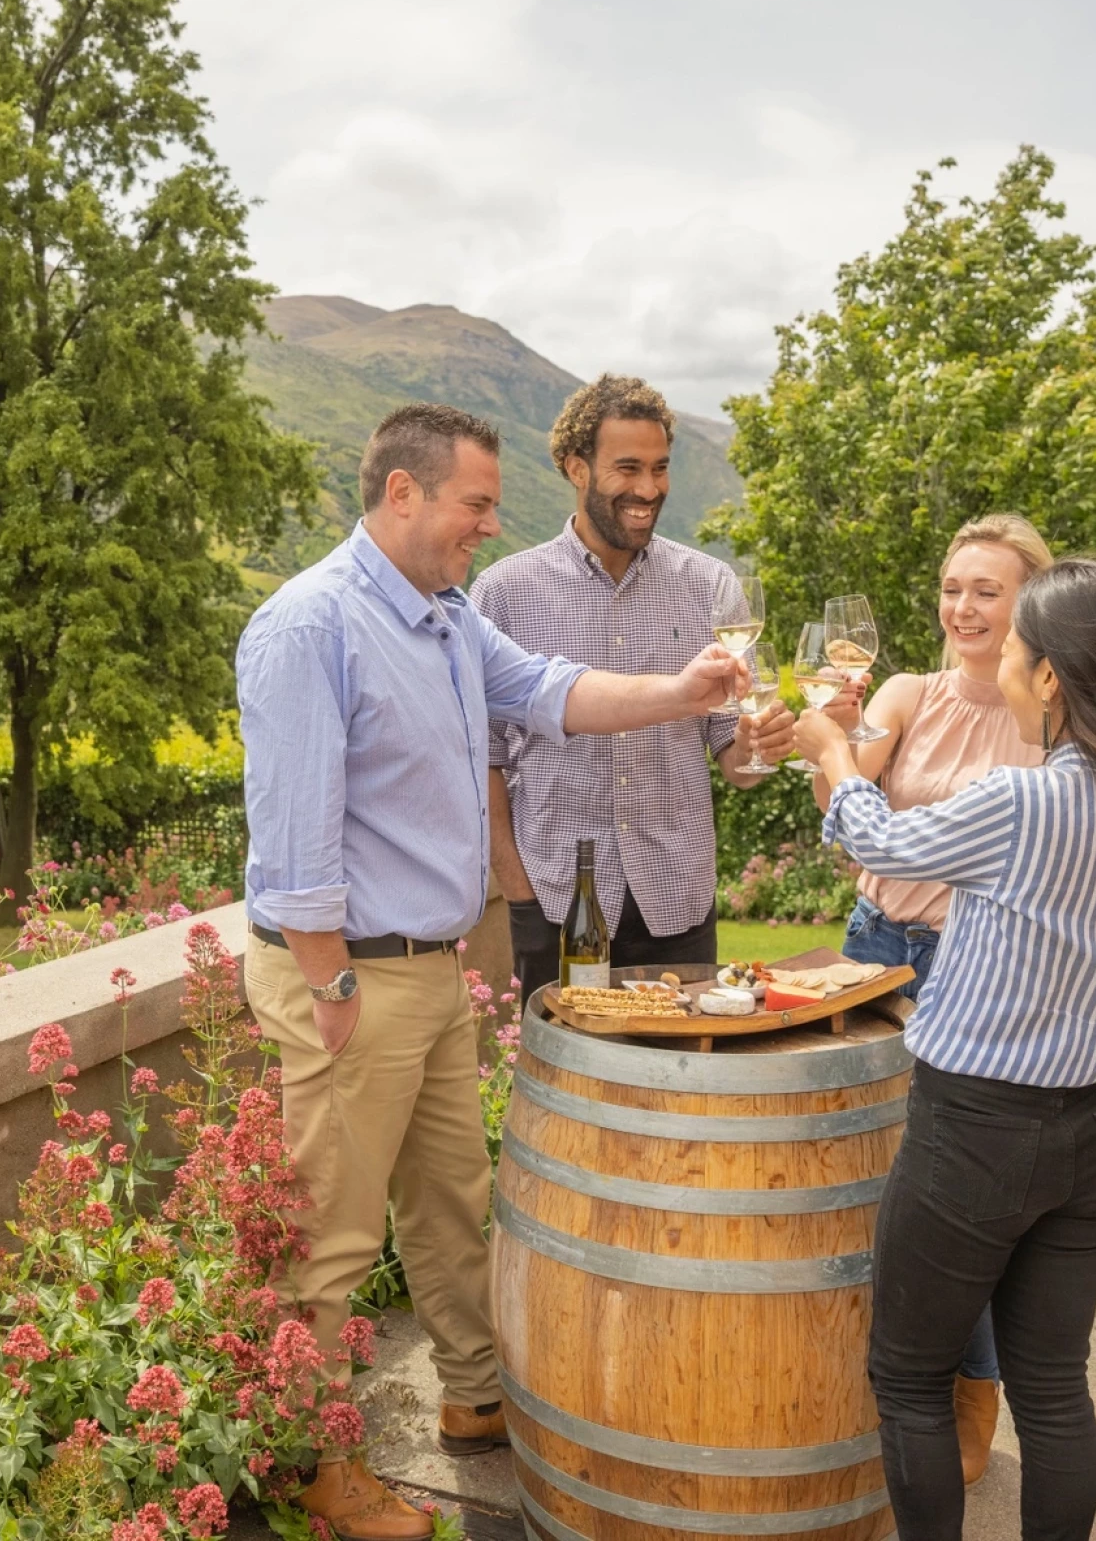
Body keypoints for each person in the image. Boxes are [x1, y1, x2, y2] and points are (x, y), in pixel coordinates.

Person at [236, 402, 752, 1541]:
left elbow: (556, 692)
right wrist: (328, 988)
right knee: (331, 1237)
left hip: (422, 972)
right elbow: (293, 839)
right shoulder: (307, 626)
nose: (487, 524)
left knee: (450, 1205)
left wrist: (684, 690)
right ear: (404, 493)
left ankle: (474, 1400)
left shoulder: (446, 619)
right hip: (351, 980)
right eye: (472, 503)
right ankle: (312, 1468)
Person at [788, 558, 1096, 1541]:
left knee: (908, 1377)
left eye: (1018, 650)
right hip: (1089, 1135)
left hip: (972, 1134)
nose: (996, 661)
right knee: (1053, 1391)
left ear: (1049, 679)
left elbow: (884, 845)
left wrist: (829, 746)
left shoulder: (1022, 802)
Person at [812, 512, 1054, 1483]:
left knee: (965, 1196)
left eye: (984, 590)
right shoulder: (907, 693)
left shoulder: (1048, 717)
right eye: (952, 588)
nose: (961, 607)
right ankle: (866, 1374)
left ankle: (973, 1393)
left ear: (1026, 603)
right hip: (874, 950)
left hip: (973, 967)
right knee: (857, 1162)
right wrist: (830, 728)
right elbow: (842, 807)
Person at [477, 374, 796, 992]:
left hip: (676, 900)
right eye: (628, 468)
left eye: (660, 468)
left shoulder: (711, 585)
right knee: (563, 1084)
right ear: (577, 467)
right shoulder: (504, 594)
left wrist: (761, 747)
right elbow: (483, 760)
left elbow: (736, 760)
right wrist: (519, 891)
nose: (648, 489)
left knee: (680, 1081)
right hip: (553, 899)